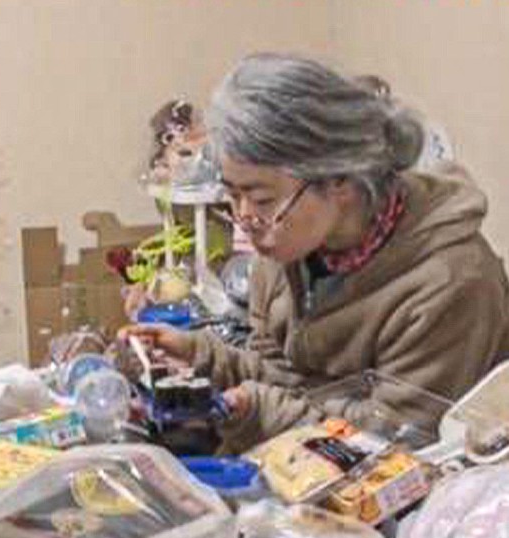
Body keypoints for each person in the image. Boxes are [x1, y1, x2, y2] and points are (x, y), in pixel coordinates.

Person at [121, 54, 509, 452]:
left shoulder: (449, 283)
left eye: (262, 199)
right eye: (232, 196)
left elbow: (394, 451)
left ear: (339, 179)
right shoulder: (288, 250)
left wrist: (261, 412)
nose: (245, 219)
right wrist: (201, 358)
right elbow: (284, 377)